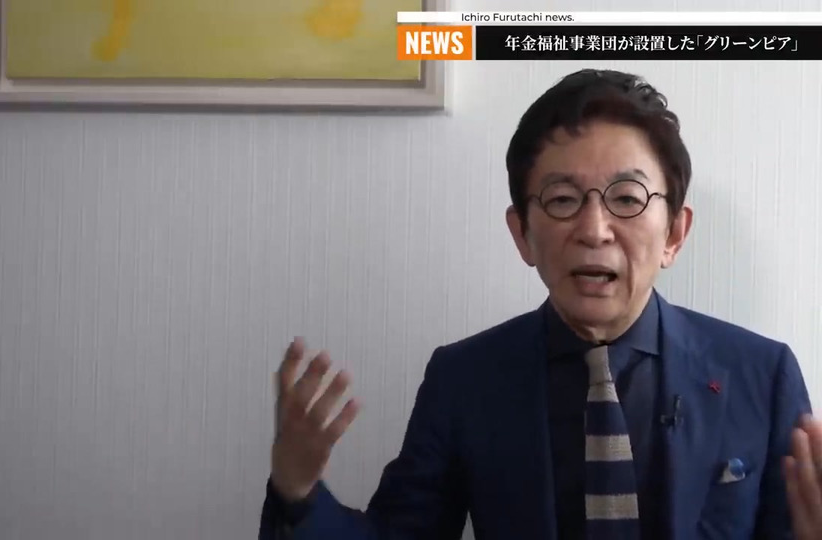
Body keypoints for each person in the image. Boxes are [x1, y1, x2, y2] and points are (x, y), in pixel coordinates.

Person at [258, 69, 822, 539]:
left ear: (674, 233)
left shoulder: (761, 375)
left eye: (627, 198)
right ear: (522, 233)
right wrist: (297, 490)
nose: (594, 229)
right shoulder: (465, 380)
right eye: (562, 199)